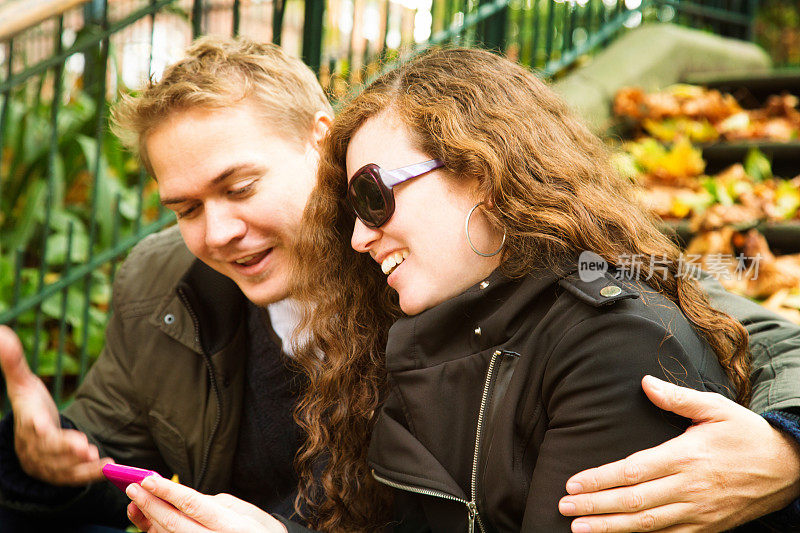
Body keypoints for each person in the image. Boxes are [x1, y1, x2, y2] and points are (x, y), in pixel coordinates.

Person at [0, 38, 799, 532]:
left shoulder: (471, 268)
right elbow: (98, 467)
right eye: (183, 207)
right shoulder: (164, 280)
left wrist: (787, 445)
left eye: (239, 187)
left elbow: (734, 323)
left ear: (322, 146)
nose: (215, 232)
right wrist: (43, 461)